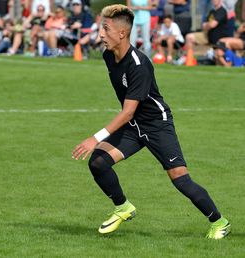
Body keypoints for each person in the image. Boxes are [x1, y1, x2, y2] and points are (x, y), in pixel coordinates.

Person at [72, 4, 231, 239]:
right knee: (98, 162)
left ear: (122, 33)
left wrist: (94, 138)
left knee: (180, 178)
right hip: (135, 125)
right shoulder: (109, 56)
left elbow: (127, 112)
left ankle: (220, 222)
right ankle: (123, 207)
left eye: (105, 29)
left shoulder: (139, 64)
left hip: (157, 125)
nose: (100, 35)